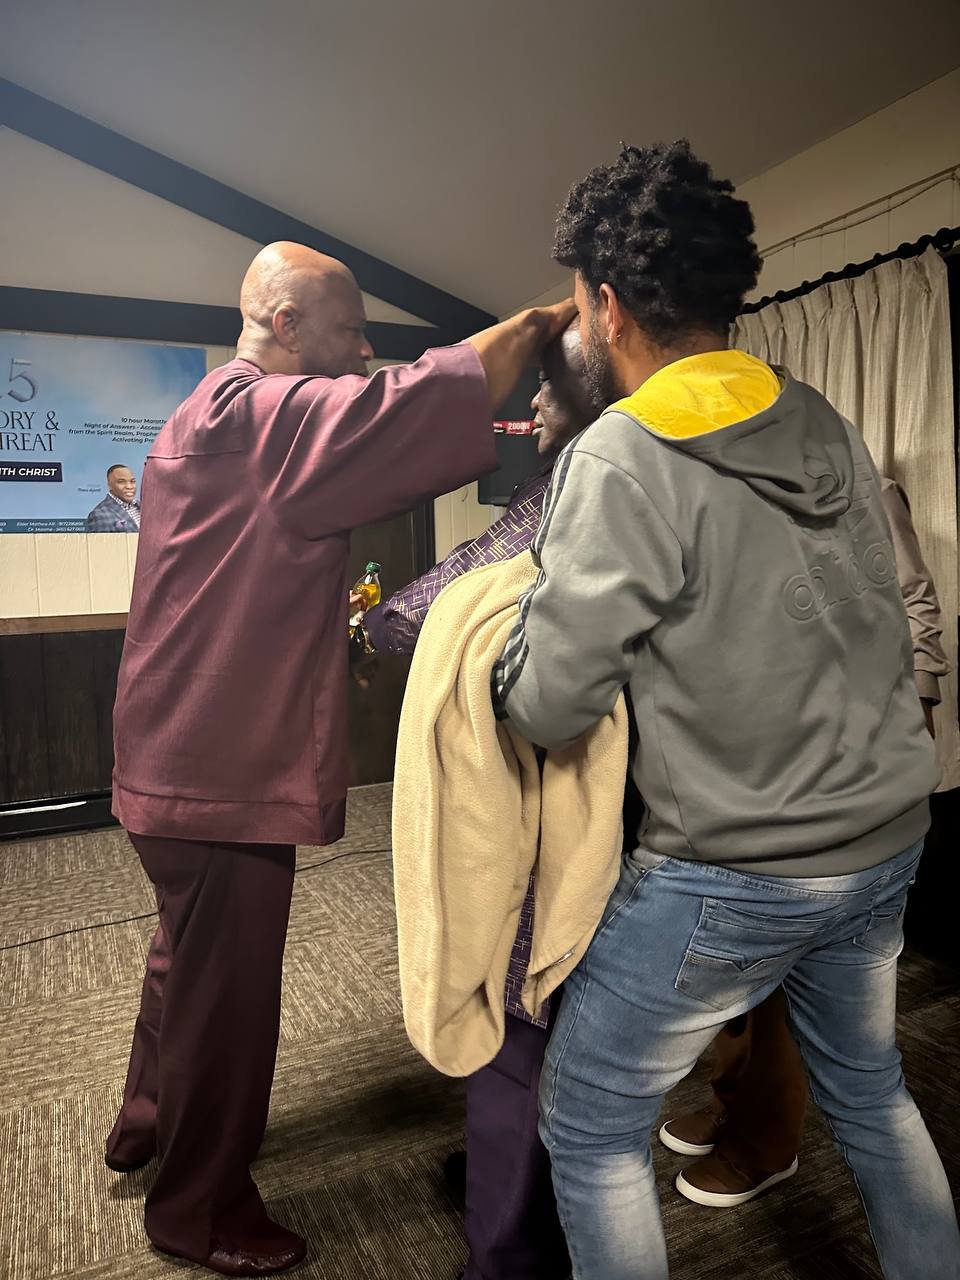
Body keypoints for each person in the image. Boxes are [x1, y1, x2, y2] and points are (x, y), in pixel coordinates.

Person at [492, 141, 960, 1279]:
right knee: (874, 1092)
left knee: (590, 1124)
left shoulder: (621, 453)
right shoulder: (821, 416)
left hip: (735, 869)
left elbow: (550, 702)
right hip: (886, 839)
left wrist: (502, 646)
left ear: (606, 305)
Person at [105, 239, 574, 1278]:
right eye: (351, 330)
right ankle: (197, 1208)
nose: (365, 351)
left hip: (171, 750)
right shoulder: (266, 416)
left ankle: (146, 1120)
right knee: (226, 1002)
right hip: (220, 770)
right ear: (284, 325)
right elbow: (411, 404)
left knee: (183, 958)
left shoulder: (200, 411)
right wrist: (547, 319)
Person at [365, 321, 597, 1280]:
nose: (531, 403)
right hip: (675, 808)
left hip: (554, 792)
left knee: (519, 1013)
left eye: (547, 383)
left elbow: (422, 610)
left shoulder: (572, 485)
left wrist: (376, 623)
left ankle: (507, 1250)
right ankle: (525, 1197)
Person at [660, 473, 952, 1209]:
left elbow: (914, 604)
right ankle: (733, 1105)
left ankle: (767, 1144)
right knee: (732, 957)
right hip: (741, 766)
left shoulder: (862, 486)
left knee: (788, 968)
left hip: (836, 766)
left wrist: (917, 717)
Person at [85, 464, 141, 531]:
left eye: (132, 481)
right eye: (121, 482)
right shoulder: (99, 515)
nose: (129, 487)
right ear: (109, 485)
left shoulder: (143, 507)